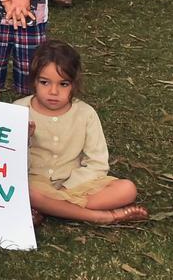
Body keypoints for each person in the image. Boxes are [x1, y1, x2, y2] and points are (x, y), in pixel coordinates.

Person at [15, 41, 149, 224]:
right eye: (45, 82)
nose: (53, 91)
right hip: (35, 184)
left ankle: (49, 208)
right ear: (33, 81)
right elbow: (7, 162)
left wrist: (66, 190)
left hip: (76, 186)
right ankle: (98, 216)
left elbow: (97, 162)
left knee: (127, 189)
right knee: (25, 192)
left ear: (74, 84)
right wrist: (23, 139)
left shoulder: (86, 114)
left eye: (63, 84)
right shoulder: (18, 110)